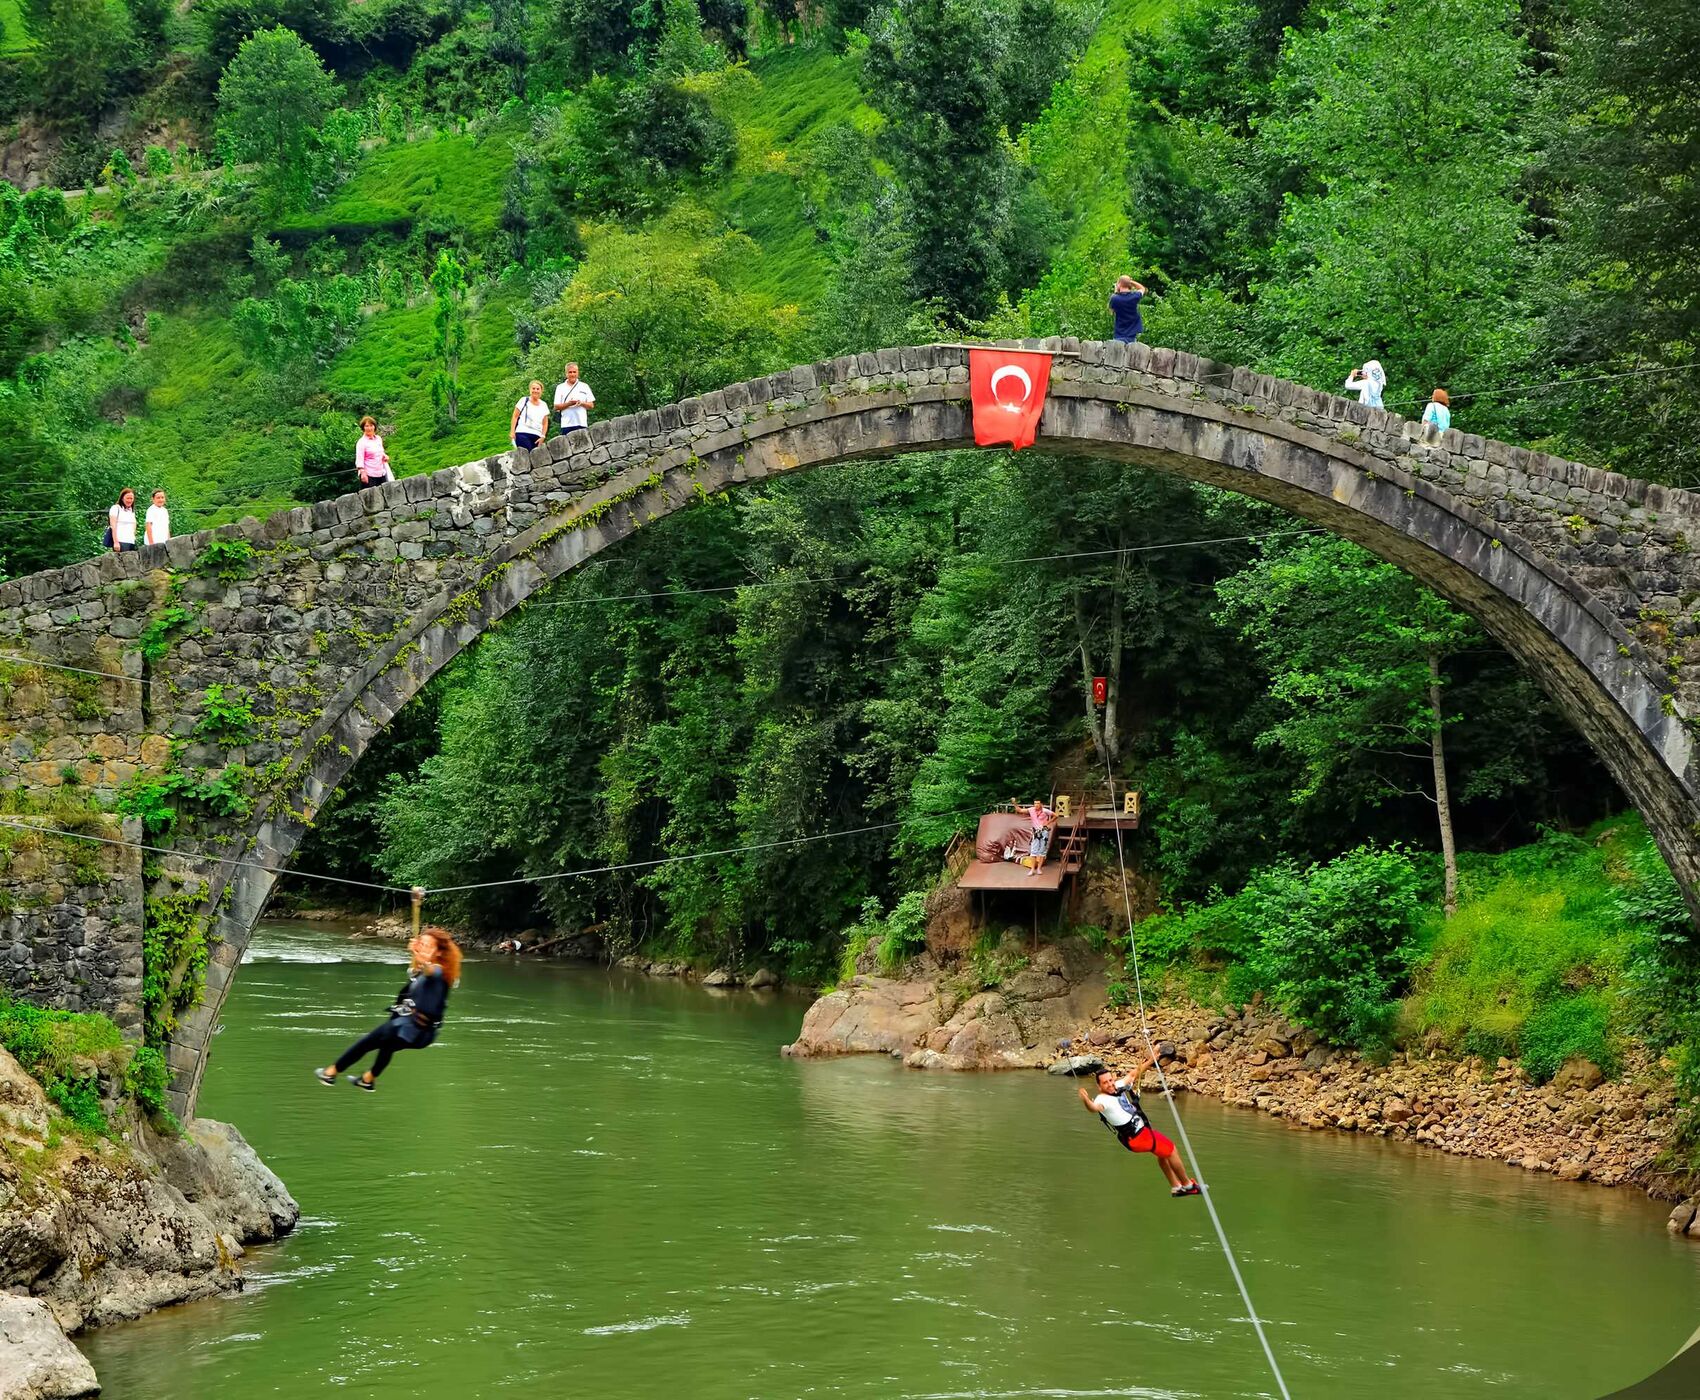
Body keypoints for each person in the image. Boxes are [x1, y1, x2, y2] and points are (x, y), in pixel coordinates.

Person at [314, 926, 462, 1092]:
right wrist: (417, 958)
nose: (423, 949)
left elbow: (429, 970)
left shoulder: (438, 972)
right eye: (422, 945)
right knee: (387, 1046)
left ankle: (330, 1073)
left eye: (428, 946)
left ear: (440, 952)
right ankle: (367, 1080)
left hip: (411, 1027)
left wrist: (418, 956)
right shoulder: (423, 972)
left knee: (366, 1042)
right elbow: (418, 975)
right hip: (419, 1032)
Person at [1078, 1058, 1200, 1197]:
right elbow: (1094, 1108)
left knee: (1163, 1154)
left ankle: (1176, 1187)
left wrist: (1154, 1056)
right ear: (1099, 1087)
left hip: (1142, 1133)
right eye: (1105, 1083)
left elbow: (1132, 1075)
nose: (1110, 1084)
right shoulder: (1102, 1100)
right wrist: (1086, 1100)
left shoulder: (1117, 1086)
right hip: (1137, 1137)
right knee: (1171, 1150)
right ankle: (1188, 1185)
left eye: (1110, 1080)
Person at [552, 362, 595, 436]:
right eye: (570, 372)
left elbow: (591, 405)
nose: (572, 374)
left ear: (578, 373)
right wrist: (569, 404)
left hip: (581, 423)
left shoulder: (584, 386)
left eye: (574, 372)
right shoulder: (560, 387)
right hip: (566, 424)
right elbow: (556, 406)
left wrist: (581, 403)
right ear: (566, 374)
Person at [511, 381, 551, 453]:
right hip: (522, 432)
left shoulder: (544, 405)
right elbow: (515, 416)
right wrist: (512, 431)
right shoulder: (524, 400)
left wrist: (543, 436)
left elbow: (545, 423)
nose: (535, 390)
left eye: (538, 389)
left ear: (541, 391)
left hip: (537, 435)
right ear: (530, 390)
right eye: (533, 388)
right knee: (527, 454)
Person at [1109, 276, 1147, 345]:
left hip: (1119, 335)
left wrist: (1116, 290)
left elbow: (1111, 311)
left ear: (1119, 284)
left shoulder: (1114, 298)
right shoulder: (1135, 296)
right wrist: (1130, 282)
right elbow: (1142, 288)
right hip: (1132, 336)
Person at [356, 416, 391, 486]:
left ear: (374, 427)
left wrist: (385, 456)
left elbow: (380, 452)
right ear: (363, 428)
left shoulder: (378, 439)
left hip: (381, 473)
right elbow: (359, 459)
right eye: (366, 426)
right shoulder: (361, 442)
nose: (369, 428)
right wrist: (362, 473)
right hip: (369, 475)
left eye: (371, 425)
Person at [1026, 797, 1056, 877]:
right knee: (1033, 851)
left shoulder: (1045, 810)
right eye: (1035, 803)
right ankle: (1032, 869)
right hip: (1036, 832)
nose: (1036, 805)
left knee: (1042, 850)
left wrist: (1048, 822)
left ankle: (1039, 868)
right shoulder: (1031, 810)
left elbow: (1056, 815)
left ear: (1041, 804)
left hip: (1044, 831)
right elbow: (1020, 810)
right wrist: (1014, 803)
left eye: (1038, 803)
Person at [107, 489, 138, 553]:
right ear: (122, 498)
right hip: (120, 541)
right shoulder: (116, 508)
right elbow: (113, 526)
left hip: (131, 541)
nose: (129, 500)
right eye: (127, 498)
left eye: (131, 498)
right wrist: (116, 542)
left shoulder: (131, 510)